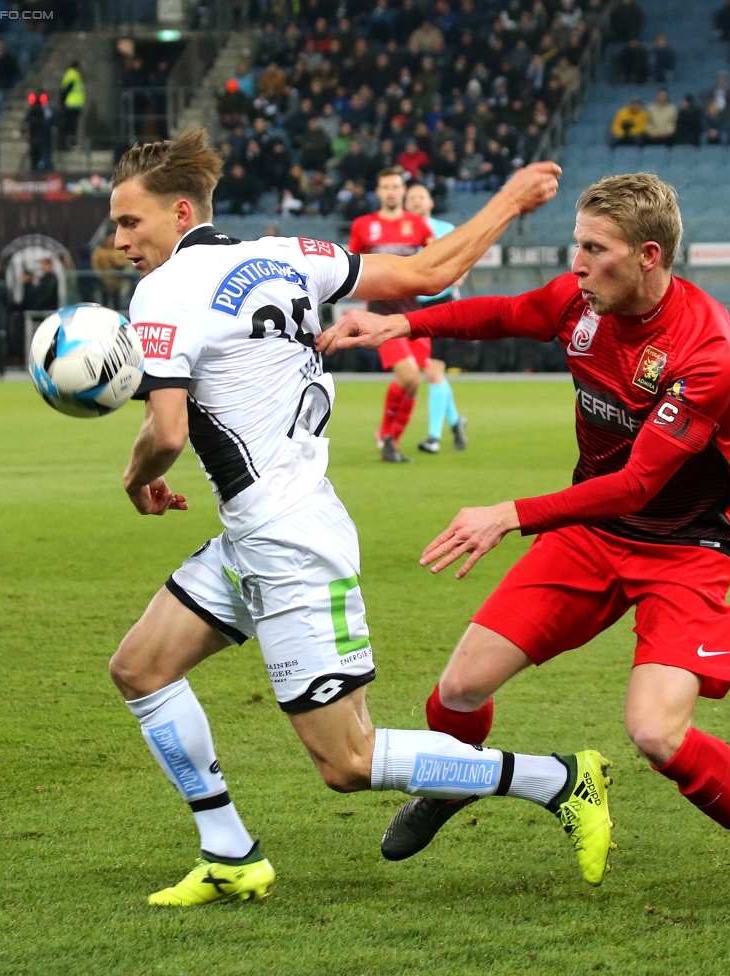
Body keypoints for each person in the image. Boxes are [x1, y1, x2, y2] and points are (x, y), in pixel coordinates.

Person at [105, 127, 598, 909]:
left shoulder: (162, 292)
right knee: (140, 669)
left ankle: (557, 779)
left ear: (179, 211)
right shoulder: (286, 253)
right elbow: (435, 271)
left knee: (349, 762)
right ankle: (231, 852)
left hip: (288, 540)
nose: (120, 239)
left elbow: (165, 431)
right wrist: (508, 199)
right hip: (258, 530)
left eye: (131, 222)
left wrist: (137, 481)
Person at [320, 172, 730, 917]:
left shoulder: (707, 350)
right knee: (457, 690)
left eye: (592, 248)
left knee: (655, 732)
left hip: (683, 550)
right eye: (575, 242)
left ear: (648, 254)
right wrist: (405, 325)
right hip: (589, 535)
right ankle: (459, 777)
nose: (575, 261)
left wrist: (509, 512)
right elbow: (510, 313)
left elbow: (640, 484)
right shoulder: (582, 302)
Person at [346, 165, 434, 463]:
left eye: (396, 186)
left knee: (414, 382)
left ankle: (390, 441)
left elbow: (435, 257)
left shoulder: (419, 226)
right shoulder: (363, 225)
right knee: (408, 375)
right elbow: (351, 264)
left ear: (403, 190)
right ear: (378, 191)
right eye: (386, 187)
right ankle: (386, 436)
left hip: (415, 315)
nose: (392, 192)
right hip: (382, 317)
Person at [403, 181, 467, 454]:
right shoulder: (402, 234)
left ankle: (433, 437)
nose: (417, 201)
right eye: (412, 197)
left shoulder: (445, 230)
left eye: (422, 196)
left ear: (430, 202)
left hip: (442, 305)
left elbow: (461, 265)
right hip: (411, 305)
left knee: (433, 371)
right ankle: (455, 421)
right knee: (430, 372)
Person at [60, 61, 85, 150]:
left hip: (72, 104)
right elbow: (66, 91)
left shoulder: (70, 75)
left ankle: (66, 144)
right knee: (71, 125)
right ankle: (69, 144)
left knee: (70, 125)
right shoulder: (74, 76)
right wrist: (62, 103)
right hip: (72, 104)